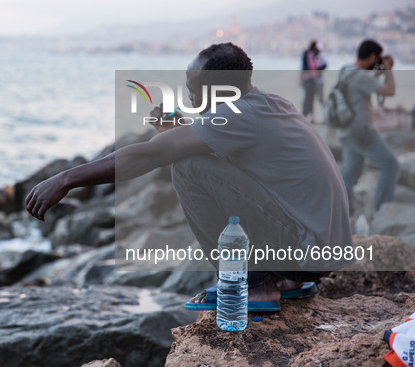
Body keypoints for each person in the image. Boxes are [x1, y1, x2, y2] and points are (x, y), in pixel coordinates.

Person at [25, 43, 353, 311]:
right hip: (319, 250)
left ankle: (253, 284)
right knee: (191, 158)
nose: (191, 98)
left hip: (302, 249)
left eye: (194, 89)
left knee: (186, 169)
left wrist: (65, 179)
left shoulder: (239, 115)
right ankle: (282, 280)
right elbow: (234, 156)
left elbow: (147, 156)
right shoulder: (266, 104)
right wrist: (180, 131)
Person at [338, 39, 398, 214]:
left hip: (345, 130)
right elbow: (390, 91)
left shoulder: (346, 70)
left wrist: (379, 74)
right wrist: (388, 71)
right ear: (372, 56)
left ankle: (345, 212)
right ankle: (382, 209)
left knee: (349, 173)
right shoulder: (361, 77)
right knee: (390, 164)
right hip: (360, 131)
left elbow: (364, 86)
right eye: (377, 58)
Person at [300, 40, 320, 121]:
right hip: (310, 78)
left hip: (306, 78)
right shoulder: (310, 54)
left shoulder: (306, 53)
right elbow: (312, 66)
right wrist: (317, 63)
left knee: (308, 97)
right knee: (310, 97)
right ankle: (307, 115)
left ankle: (306, 114)